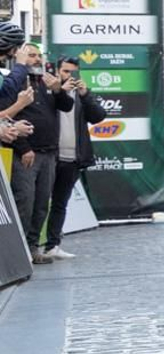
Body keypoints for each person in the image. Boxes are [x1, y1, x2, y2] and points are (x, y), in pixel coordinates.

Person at [10, 45, 76, 265]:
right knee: (25, 203)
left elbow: (67, 106)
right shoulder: (15, 82)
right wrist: (23, 148)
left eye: (38, 55)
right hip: (27, 154)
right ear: (20, 57)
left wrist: (58, 90)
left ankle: (32, 248)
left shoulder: (47, 81)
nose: (36, 59)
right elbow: (7, 118)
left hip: (49, 153)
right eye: (31, 55)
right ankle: (17, 252)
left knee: (41, 205)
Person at [40, 56, 107, 260]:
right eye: (66, 71)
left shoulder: (80, 95)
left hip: (73, 158)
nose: (70, 76)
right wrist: (59, 90)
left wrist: (85, 94)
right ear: (57, 71)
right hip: (49, 155)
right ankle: (32, 245)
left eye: (73, 72)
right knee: (40, 202)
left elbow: (98, 116)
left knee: (60, 203)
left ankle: (53, 245)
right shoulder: (48, 91)